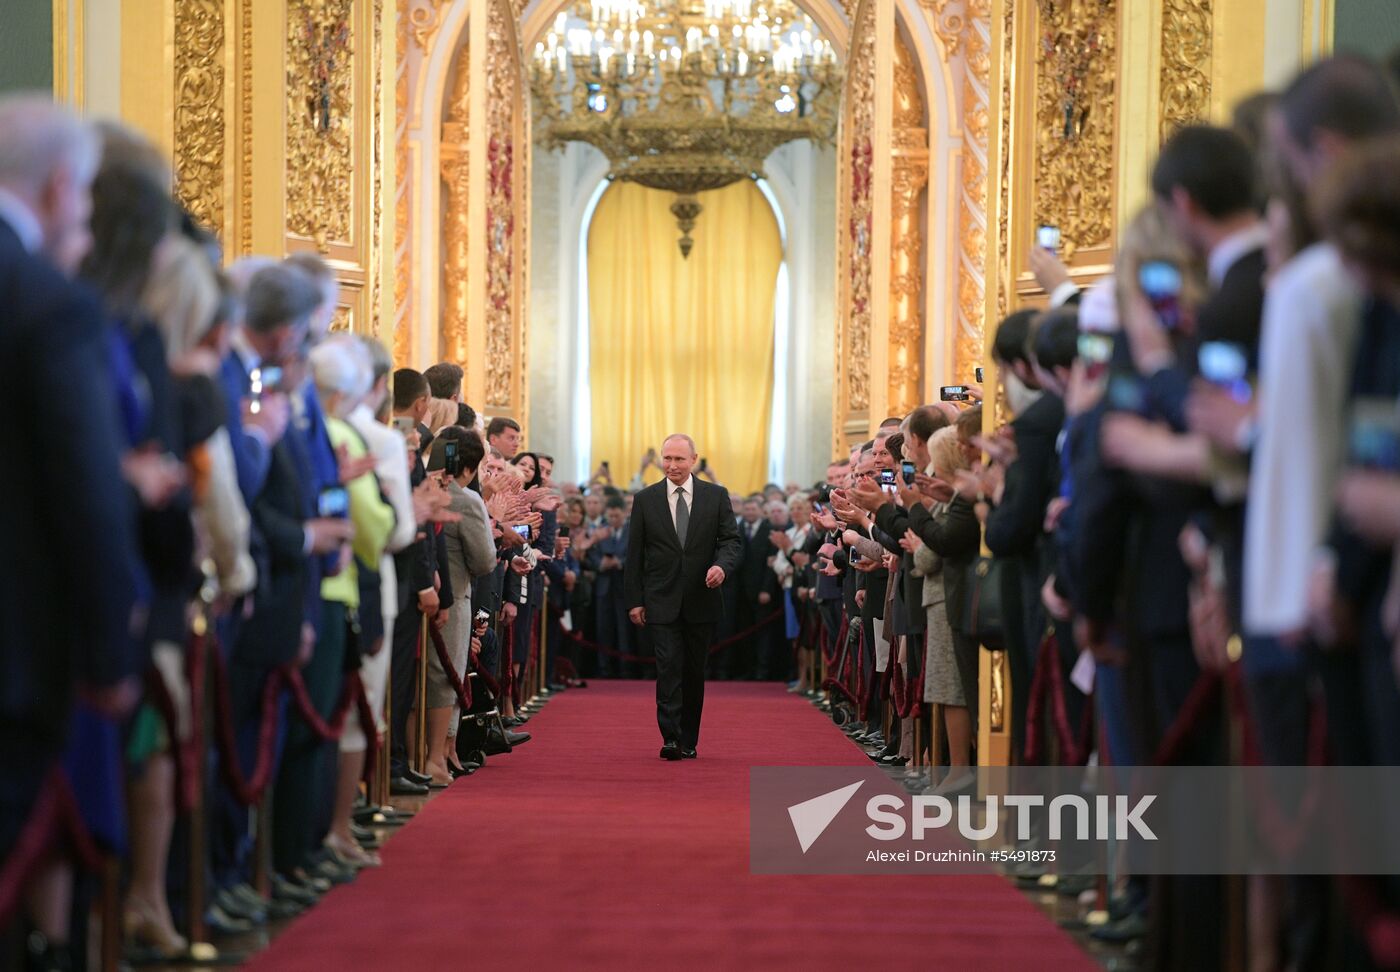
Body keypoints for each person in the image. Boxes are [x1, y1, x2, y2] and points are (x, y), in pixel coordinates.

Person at [624, 434, 742, 759]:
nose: (672, 466)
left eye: (679, 459)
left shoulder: (715, 496)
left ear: (693, 459)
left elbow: (731, 541)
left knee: (693, 671)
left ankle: (690, 738)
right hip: (660, 599)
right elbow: (634, 554)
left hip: (702, 598)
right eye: (667, 459)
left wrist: (721, 567)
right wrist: (635, 600)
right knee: (667, 667)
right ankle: (671, 737)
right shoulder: (645, 499)